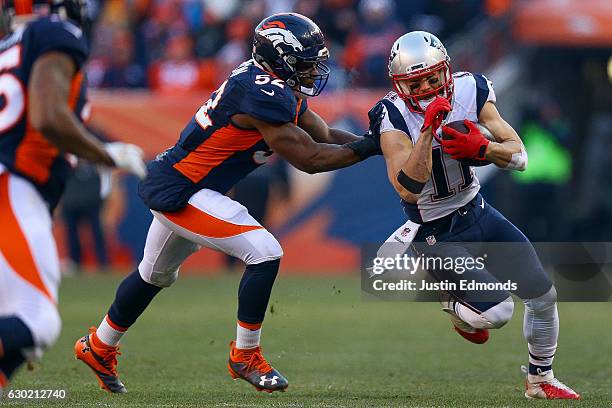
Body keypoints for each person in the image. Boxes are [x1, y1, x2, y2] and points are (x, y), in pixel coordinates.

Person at [74, 12, 382, 394]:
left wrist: (376, 141)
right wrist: (369, 147)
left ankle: (99, 346)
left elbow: (325, 134)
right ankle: (245, 355)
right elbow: (311, 159)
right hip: (183, 190)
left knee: (154, 275)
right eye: (305, 64)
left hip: (187, 185)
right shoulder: (262, 93)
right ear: (281, 59)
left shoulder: (268, 83)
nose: (312, 72)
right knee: (265, 252)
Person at [371, 31, 579, 399]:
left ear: (446, 72)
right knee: (496, 313)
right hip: (433, 231)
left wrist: (483, 147)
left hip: (478, 211)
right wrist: (427, 135)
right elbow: (406, 188)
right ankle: (450, 299)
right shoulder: (391, 115)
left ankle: (541, 380)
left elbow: (519, 156)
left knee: (543, 296)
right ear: (399, 85)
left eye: (433, 78)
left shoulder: (472, 90)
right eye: (415, 83)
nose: (426, 88)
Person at [0, 0, 146, 392]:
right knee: (36, 320)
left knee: (12, 317)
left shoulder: (11, 45)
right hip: (11, 186)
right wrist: (104, 154)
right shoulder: (54, 32)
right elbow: (47, 117)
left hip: (16, 186)